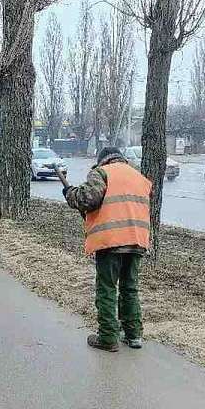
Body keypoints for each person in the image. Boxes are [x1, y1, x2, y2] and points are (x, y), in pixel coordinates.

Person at [59, 147, 152, 352]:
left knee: (107, 288)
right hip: (137, 239)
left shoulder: (102, 172)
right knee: (130, 287)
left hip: (111, 240)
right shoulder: (138, 176)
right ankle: (133, 334)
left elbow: (86, 199)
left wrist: (69, 193)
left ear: (103, 160)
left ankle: (108, 337)